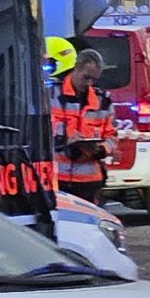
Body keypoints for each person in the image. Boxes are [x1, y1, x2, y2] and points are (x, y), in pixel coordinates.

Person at [52, 48, 116, 203]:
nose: (89, 83)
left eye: (94, 79)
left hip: (89, 183)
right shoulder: (51, 95)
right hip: (57, 178)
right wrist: (65, 142)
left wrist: (101, 150)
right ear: (76, 68)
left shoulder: (103, 101)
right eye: (87, 77)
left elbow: (112, 137)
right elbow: (38, 133)